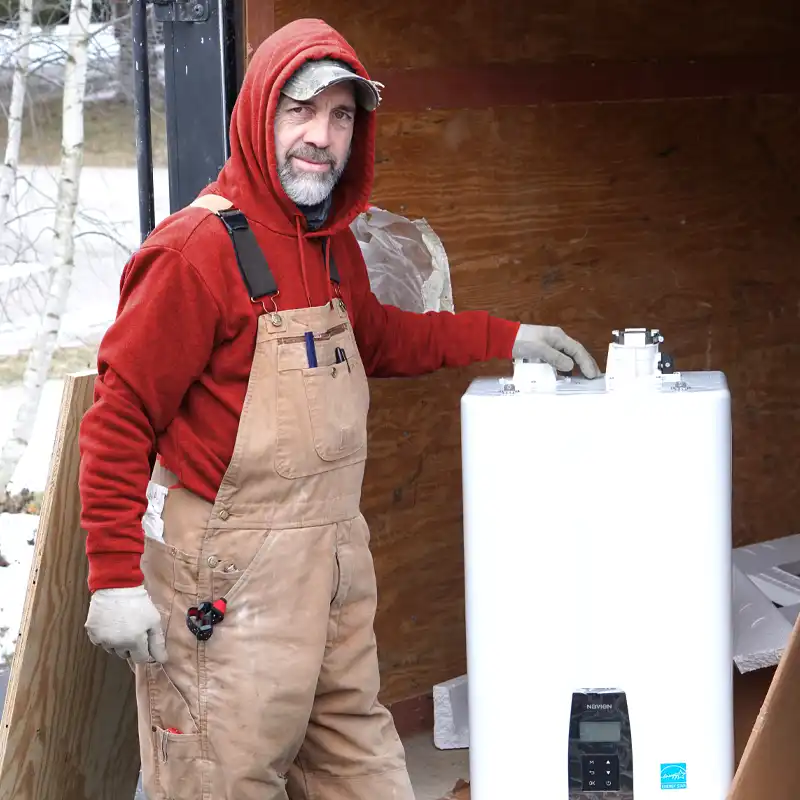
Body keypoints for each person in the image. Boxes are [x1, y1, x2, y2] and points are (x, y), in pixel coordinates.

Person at [78, 17, 600, 800]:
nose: (321, 136)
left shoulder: (329, 243)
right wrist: (114, 578)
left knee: (366, 776)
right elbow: (118, 420)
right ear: (259, 113)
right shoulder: (195, 252)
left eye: (342, 116)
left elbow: (378, 338)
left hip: (329, 573)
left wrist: (510, 335)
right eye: (301, 110)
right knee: (219, 779)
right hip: (227, 585)